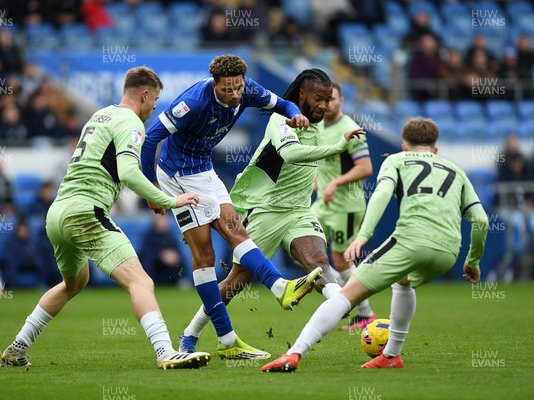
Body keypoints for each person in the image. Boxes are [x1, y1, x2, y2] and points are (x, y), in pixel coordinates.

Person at [0, 66, 210, 369]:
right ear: (145, 94)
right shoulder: (131, 122)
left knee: (74, 283)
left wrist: (150, 195)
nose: (154, 107)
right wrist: (169, 198)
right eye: (155, 99)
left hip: (58, 214)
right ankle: (165, 351)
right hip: (87, 212)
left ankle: (18, 347)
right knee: (141, 282)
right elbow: (127, 172)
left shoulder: (99, 116)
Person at [262, 117, 488, 372]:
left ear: (404, 146)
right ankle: (391, 355)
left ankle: (294, 353)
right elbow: (481, 220)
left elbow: (380, 195)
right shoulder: (456, 170)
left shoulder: (397, 160)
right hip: (448, 253)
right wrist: (473, 261)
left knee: (347, 295)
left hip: (411, 242)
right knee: (403, 281)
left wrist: (362, 236)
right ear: (435, 150)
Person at [142, 54, 319, 360]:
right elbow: (150, 139)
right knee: (205, 256)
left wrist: (296, 116)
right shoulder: (194, 102)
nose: (236, 95)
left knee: (234, 228)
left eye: (238, 88)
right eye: (228, 90)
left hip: (204, 169)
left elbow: (285, 105)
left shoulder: (247, 89)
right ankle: (231, 333)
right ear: (215, 85)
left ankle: (273, 294)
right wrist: (150, 190)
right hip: (176, 174)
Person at [177, 70, 365, 352]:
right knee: (237, 281)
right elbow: (291, 154)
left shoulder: (319, 124)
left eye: (328, 100)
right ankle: (190, 335)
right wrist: (338, 148)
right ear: (301, 94)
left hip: (300, 211)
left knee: (318, 261)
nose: (324, 105)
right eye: (318, 98)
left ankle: (339, 300)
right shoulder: (281, 119)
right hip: (266, 211)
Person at [311, 82, 375, 331]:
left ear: (342, 101)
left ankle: (365, 313)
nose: (328, 104)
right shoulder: (319, 126)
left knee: (341, 259)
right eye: (324, 99)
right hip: (323, 204)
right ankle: (336, 291)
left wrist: (336, 183)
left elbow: (366, 168)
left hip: (346, 205)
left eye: (333, 99)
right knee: (301, 241)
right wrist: (317, 183)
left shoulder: (350, 129)